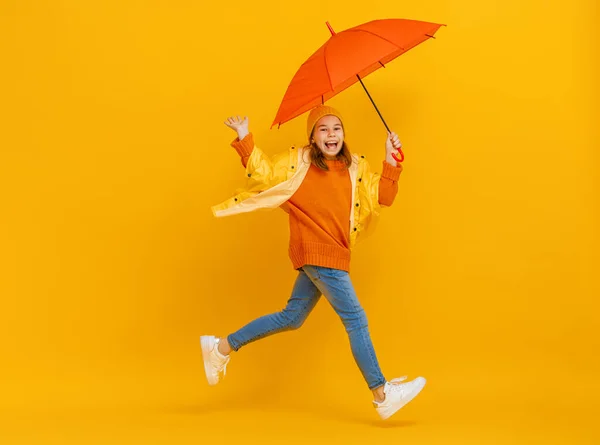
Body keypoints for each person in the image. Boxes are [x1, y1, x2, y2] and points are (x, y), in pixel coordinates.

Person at [201, 105, 426, 420]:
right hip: (315, 250)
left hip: (334, 251)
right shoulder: (298, 163)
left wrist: (390, 159)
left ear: (343, 135)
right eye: (323, 129)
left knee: (291, 317)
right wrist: (244, 138)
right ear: (312, 137)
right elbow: (264, 173)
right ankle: (382, 393)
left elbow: (384, 196)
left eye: (336, 128)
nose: (331, 134)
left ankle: (221, 347)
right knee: (356, 320)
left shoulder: (355, 168)